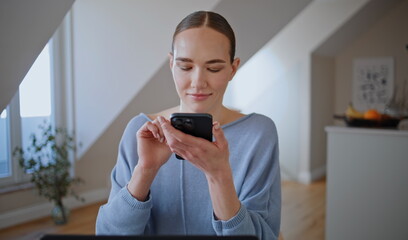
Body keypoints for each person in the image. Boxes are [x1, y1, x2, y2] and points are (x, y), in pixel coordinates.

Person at [96, 11, 281, 239]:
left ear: (233, 69)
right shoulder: (141, 131)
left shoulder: (258, 133)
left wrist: (219, 176)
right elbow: (107, 233)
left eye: (213, 68)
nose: (198, 82)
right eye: (185, 67)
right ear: (172, 63)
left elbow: (264, 235)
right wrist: (145, 170)